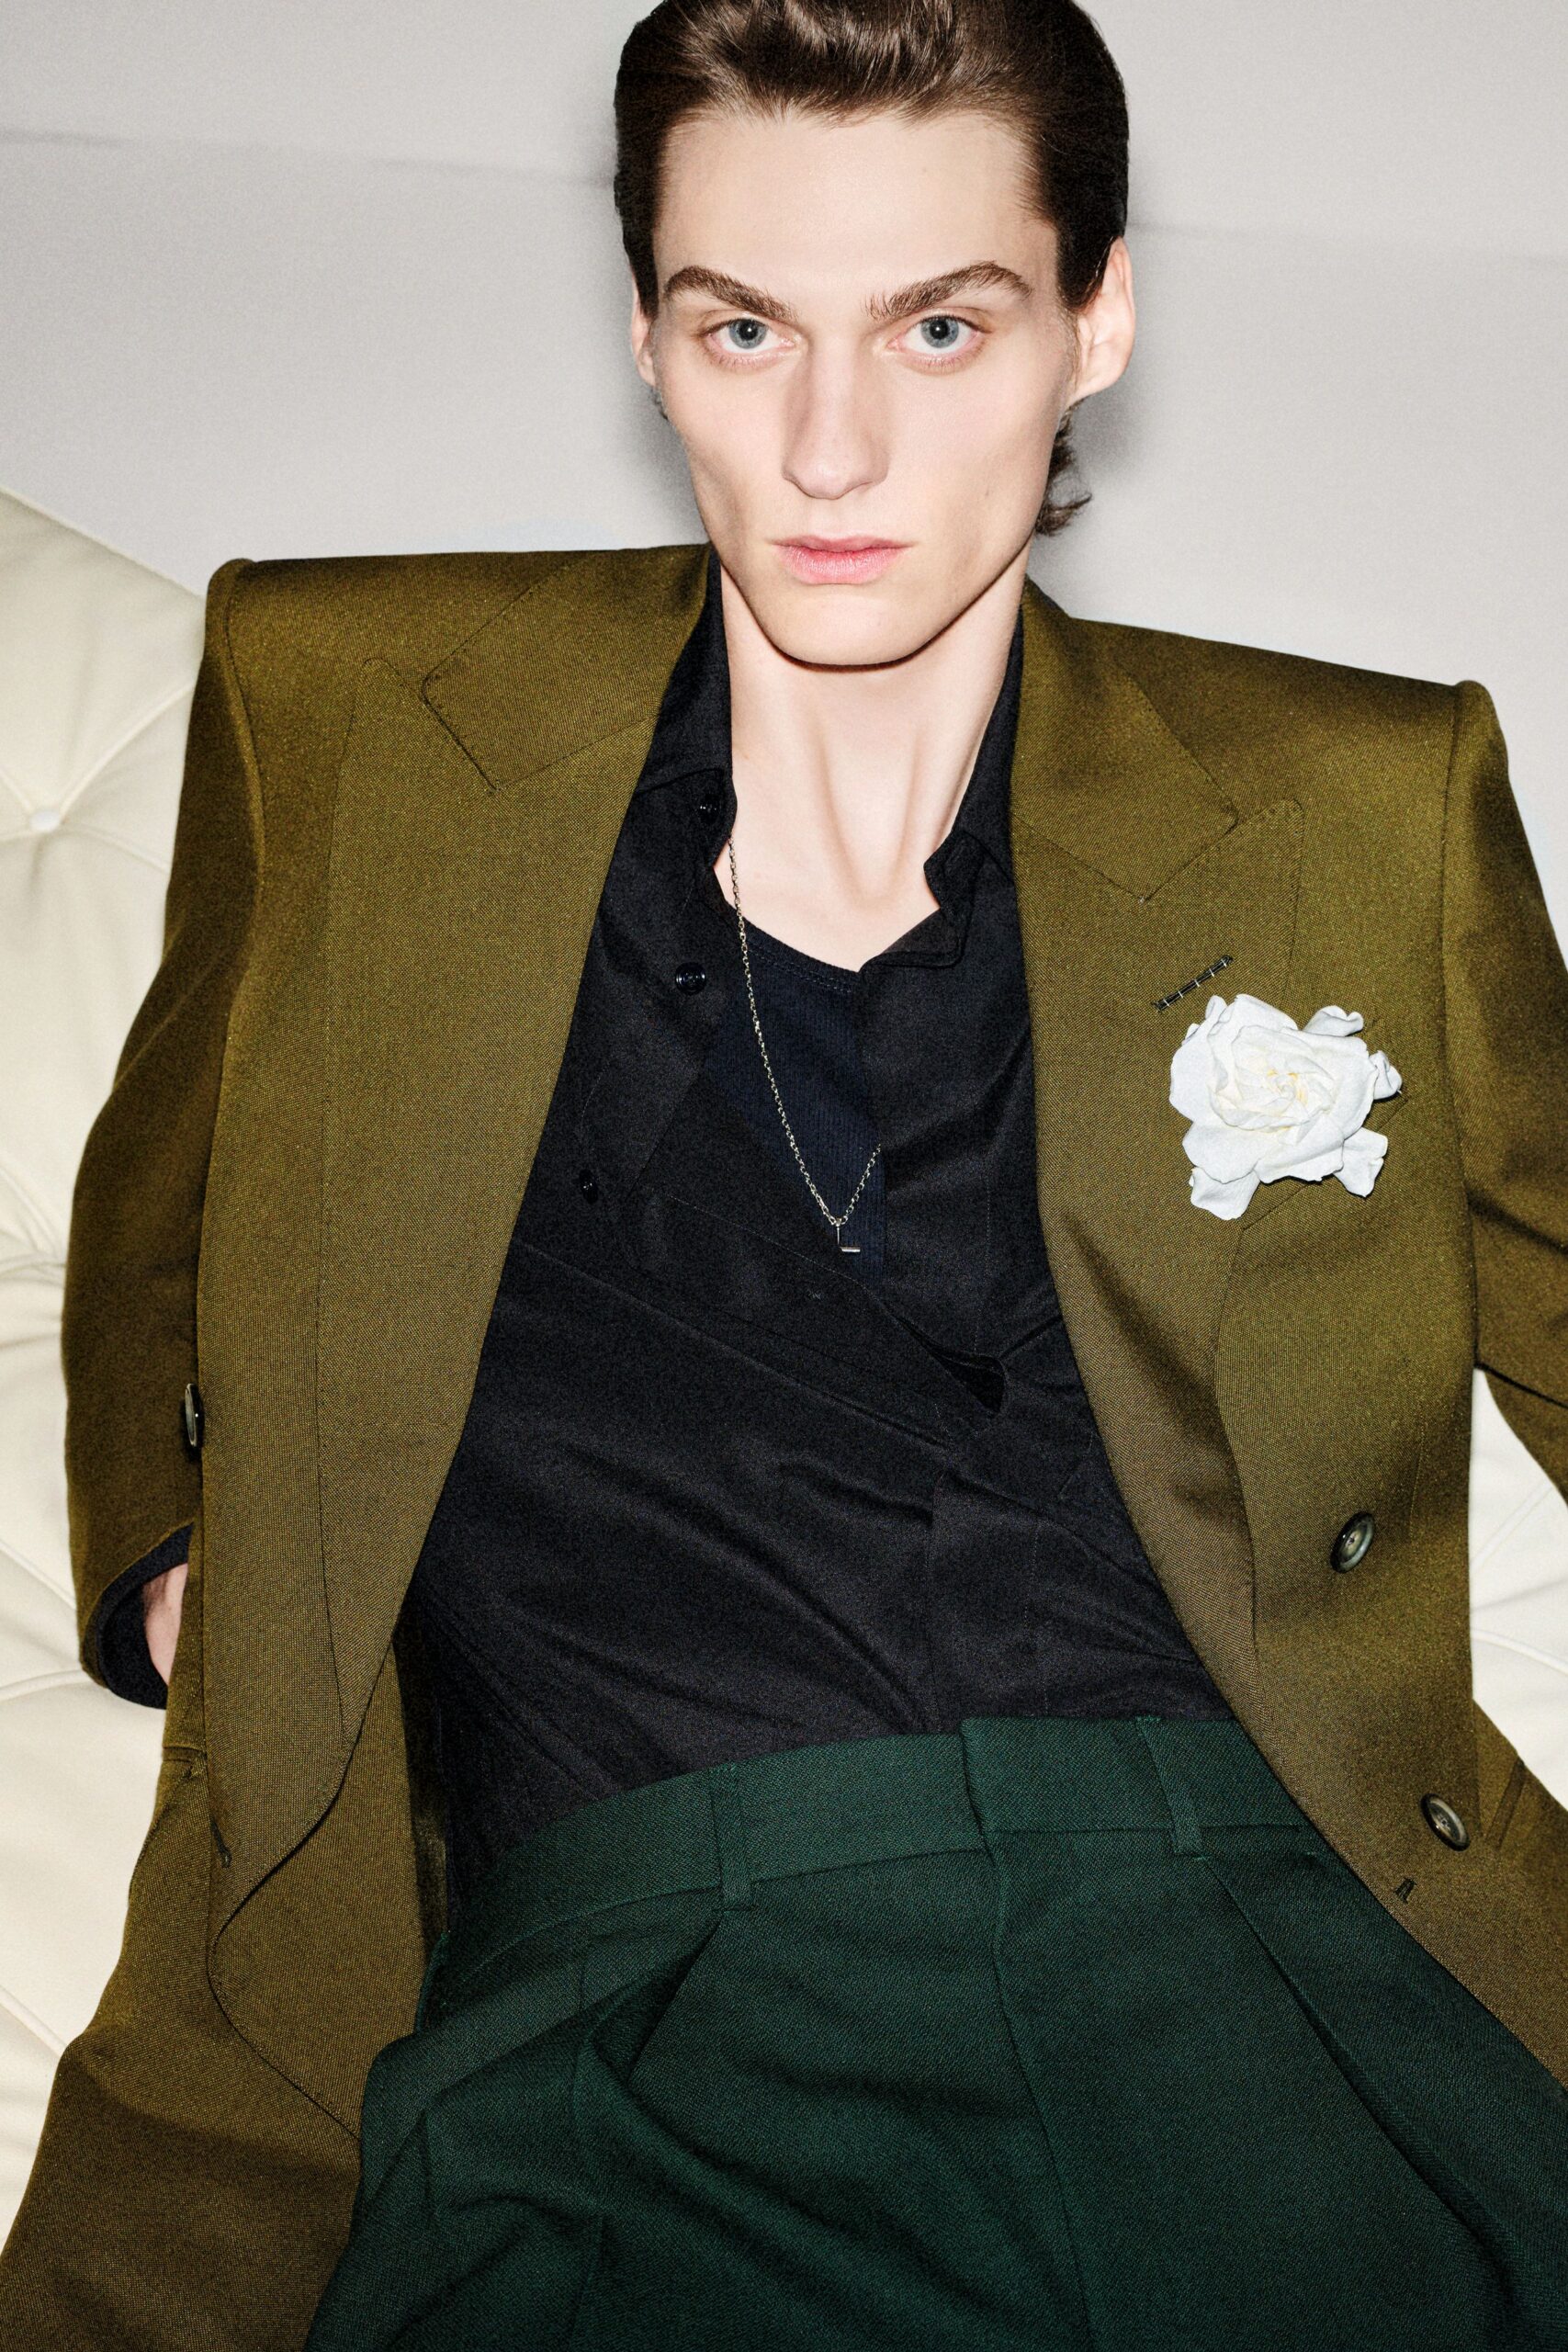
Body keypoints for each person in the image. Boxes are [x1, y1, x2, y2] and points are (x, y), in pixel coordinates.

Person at [4, 2, 1567, 2345]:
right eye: (744, 328)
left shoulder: (1355, 792)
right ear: (645, 335)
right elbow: (166, 1193)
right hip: (622, 2021)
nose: (830, 445)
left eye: (939, 327)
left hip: (1284, 1977)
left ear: (1093, 323)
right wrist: (180, 1572)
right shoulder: (345, 699)